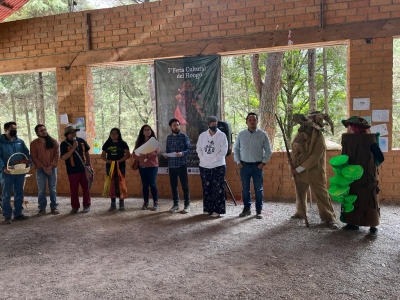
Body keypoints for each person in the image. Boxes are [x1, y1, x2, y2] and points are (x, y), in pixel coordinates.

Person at [290, 111, 339, 229]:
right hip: (298, 171)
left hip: (314, 172)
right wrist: (293, 163)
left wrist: (299, 169)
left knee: (321, 194)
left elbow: (314, 157)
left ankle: (329, 218)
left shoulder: (319, 138)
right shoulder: (301, 134)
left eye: (311, 119)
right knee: (300, 192)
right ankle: (300, 212)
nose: (307, 122)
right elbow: (295, 149)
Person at [340, 116, 384, 237]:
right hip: (351, 178)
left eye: (349, 126)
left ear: (355, 128)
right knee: (353, 199)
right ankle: (352, 222)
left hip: (367, 178)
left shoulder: (370, 140)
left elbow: (380, 157)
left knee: (368, 200)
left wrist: (369, 165)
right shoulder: (348, 140)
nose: (348, 129)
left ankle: (372, 224)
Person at [233, 112, 272, 219]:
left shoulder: (263, 134)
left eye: (254, 120)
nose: (252, 122)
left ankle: (259, 210)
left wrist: (263, 162)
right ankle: (247, 209)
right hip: (244, 166)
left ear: (257, 121)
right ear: (246, 122)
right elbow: (235, 149)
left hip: (257, 166)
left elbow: (268, 150)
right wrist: (238, 162)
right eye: (250, 120)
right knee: (245, 189)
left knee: (258, 189)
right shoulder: (241, 134)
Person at [196, 116, 228, 217]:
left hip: (218, 166)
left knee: (218, 188)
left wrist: (214, 159)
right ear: (208, 125)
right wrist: (202, 158)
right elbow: (199, 148)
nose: (214, 126)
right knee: (206, 188)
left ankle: (218, 210)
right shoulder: (202, 136)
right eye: (212, 125)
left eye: (216, 124)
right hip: (204, 166)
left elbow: (224, 150)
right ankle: (208, 208)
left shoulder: (222, 135)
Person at [0, 121, 31, 224]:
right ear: (6, 130)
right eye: (12, 129)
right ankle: (7, 216)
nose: (14, 130)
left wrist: (28, 163)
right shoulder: (1, 142)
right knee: (6, 194)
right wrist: (3, 167)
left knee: (19, 193)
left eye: (15, 129)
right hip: (7, 172)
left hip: (20, 171)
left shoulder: (20, 142)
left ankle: (18, 213)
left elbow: (26, 154)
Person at [60, 125, 92, 214]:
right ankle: (75, 207)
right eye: (72, 132)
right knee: (74, 189)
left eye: (75, 132)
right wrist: (73, 148)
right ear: (67, 134)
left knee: (86, 187)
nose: (74, 133)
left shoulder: (81, 141)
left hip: (83, 168)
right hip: (72, 170)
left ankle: (86, 205)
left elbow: (87, 152)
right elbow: (63, 157)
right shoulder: (64, 144)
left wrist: (89, 165)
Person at [163, 118, 191, 213]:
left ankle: (187, 205)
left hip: (181, 165)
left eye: (178, 125)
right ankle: (176, 205)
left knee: (185, 186)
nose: (177, 127)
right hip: (171, 165)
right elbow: (167, 150)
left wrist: (182, 153)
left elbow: (189, 149)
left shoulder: (184, 137)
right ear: (171, 127)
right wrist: (166, 155)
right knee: (173, 186)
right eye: (174, 125)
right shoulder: (168, 138)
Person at [30, 124, 60, 216]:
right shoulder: (34, 143)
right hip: (40, 169)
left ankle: (53, 207)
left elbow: (57, 155)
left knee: (52, 188)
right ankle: (42, 208)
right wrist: (44, 168)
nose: (44, 132)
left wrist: (50, 167)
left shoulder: (54, 142)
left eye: (45, 129)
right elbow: (34, 157)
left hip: (52, 169)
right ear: (37, 133)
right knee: (41, 189)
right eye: (41, 131)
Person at [101, 128, 130, 211]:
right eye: (112, 133)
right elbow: (102, 155)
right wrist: (108, 161)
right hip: (109, 167)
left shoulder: (123, 143)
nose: (113, 135)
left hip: (120, 167)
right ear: (110, 135)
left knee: (121, 184)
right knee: (112, 185)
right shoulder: (107, 144)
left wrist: (118, 161)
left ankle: (121, 203)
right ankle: (113, 204)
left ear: (119, 134)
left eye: (115, 133)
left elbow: (127, 155)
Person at [132, 125, 159, 211]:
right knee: (145, 185)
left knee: (153, 184)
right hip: (142, 166)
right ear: (142, 132)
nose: (147, 131)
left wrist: (146, 155)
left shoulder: (154, 141)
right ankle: (145, 202)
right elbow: (134, 154)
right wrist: (138, 158)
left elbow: (155, 152)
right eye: (145, 130)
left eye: (149, 130)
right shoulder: (139, 142)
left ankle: (156, 202)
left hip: (152, 165)